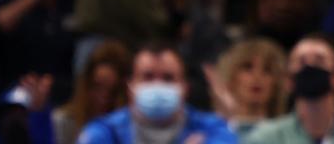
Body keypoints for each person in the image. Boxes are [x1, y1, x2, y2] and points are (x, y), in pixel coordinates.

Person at [77, 42, 236, 144]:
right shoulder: (105, 131)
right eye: (147, 77)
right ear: (131, 87)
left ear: (184, 88)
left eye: (168, 78)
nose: (157, 85)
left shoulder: (213, 129)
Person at [245, 35, 334, 144]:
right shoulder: (263, 139)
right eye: (301, 62)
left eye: (320, 60)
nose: (310, 66)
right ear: (289, 80)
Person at [204, 38, 287, 138]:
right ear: (230, 76)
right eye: (247, 67)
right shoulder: (209, 133)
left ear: (276, 84)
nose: (257, 76)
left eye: (267, 70)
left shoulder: (285, 136)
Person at [53, 40, 132, 144]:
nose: (104, 97)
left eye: (113, 91)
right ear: (85, 84)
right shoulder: (63, 121)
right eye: (97, 87)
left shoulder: (130, 128)